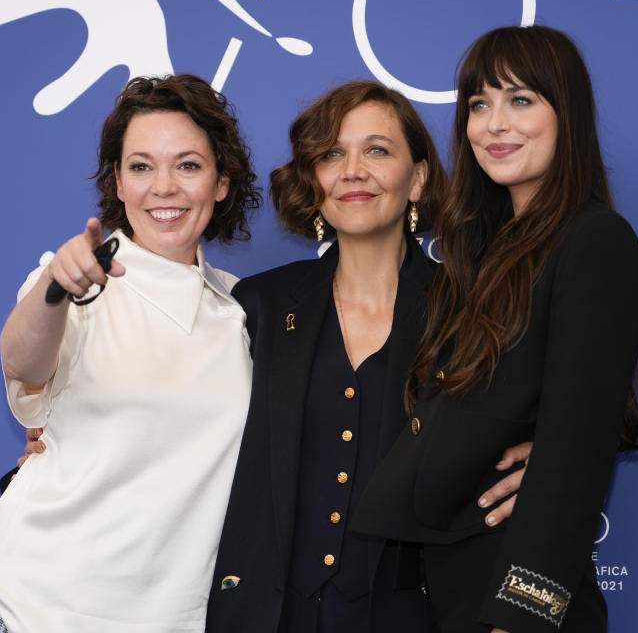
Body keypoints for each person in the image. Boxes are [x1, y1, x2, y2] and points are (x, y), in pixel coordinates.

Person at [205, 81, 532, 633]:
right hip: (265, 613)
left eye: (376, 150)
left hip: (411, 614)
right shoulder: (257, 305)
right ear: (315, 179)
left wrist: (544, 456)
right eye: (332, 154)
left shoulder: (474, 309)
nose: (353, 170)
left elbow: (569, 412)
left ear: (419, 179)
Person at [351, 26, 638, 632]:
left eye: (520, 100)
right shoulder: (479, 256)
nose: (494, 124)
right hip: (450, 593)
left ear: (567, 114)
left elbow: (576, 453)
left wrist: (520, 618)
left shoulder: (594, 241)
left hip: (512, 606)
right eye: (479, 105)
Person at [0, 74, 261, 633]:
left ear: (222, 182)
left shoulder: (243, 311)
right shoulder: (78, 278)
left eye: (188, 165)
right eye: (141, 166)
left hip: (174, 615)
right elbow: (22, 363)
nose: (163, 187)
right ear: (118, 183)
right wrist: (56, 287)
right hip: (41, 604)